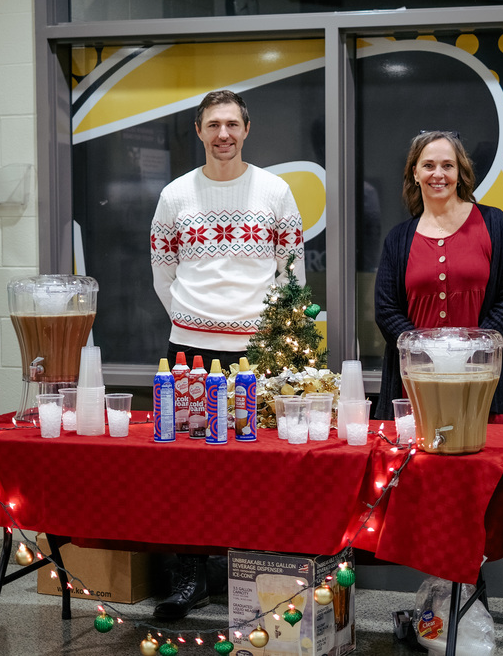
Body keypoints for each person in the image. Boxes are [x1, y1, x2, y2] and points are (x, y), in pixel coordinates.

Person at [374, 130, 503, 639]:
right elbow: (386, 309)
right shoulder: (400, 238)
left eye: (447, 165)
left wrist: (473, 345)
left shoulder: (492, 224)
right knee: (445, 499)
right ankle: (471, 603)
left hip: (481, 387)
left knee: (502, 492)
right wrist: (424, 350)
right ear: (414, 174)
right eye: (428, 165)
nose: (438, 174)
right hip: (420, 392)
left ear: (461, 171)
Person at [150, 90, 305, 619]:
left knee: (260, 464)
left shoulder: (275, 191)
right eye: (213, 124)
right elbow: (163, 273)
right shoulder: (175, 196)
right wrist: (195, 318)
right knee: (189, 468)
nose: (223, 134)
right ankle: (190, 577)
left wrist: (272, 332)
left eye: (232, 124)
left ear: (246, 129)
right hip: (190, 349)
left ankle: (256, 576)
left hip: (259, 349)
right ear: (198, 130)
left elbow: (292, 272)